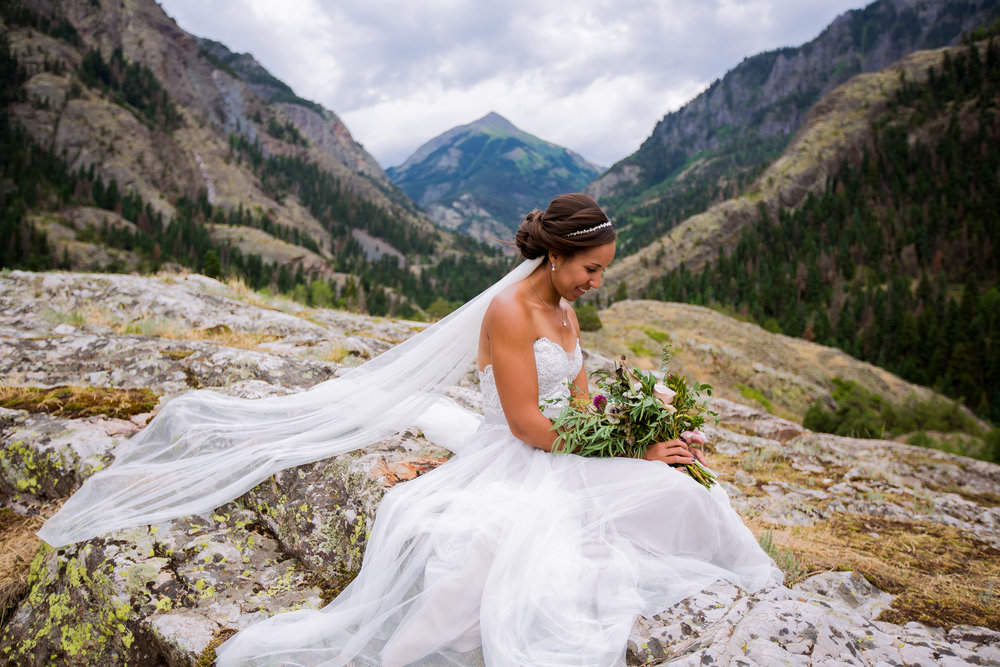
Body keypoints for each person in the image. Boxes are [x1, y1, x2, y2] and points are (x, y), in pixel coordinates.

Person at [209, 193, 781, 665]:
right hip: (518, 453)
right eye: (592, 269)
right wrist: (624, 454)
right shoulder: (510, 311)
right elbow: (529, 425)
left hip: (568, 447)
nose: (598, 282)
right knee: (519, 557)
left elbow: (581, 404)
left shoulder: (565, 308)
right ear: (555, 256)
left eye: (604, 269)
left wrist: (634, 441)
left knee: (676, 485)